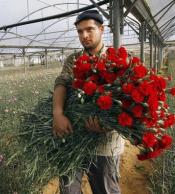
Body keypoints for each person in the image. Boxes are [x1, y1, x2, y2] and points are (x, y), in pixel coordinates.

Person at [52, 10, 125, 194]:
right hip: (72, 136)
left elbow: (128, 103)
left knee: (106, 189)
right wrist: (58, 113)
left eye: (89, 29)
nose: (84, 35)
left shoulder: (118, 59)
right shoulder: (74, 60)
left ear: (102, 29)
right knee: (69, 190)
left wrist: (109, 125)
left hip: (106, 143)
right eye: (79, 31)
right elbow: (62, 82)